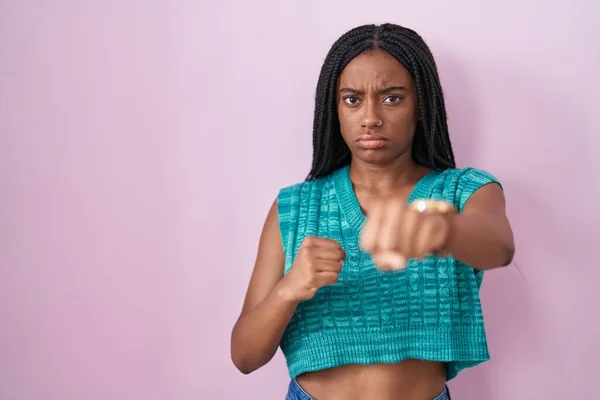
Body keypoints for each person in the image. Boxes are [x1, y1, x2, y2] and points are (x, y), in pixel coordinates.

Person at [230, 23, 515, 400]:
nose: (370, 118)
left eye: (392, 98)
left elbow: (499, 246)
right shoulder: (295, 206)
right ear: (334, 109)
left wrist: (444, 231)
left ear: (420, 106)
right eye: (352, 99)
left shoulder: (463, 190)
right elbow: (245, 356)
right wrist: (290, 288)